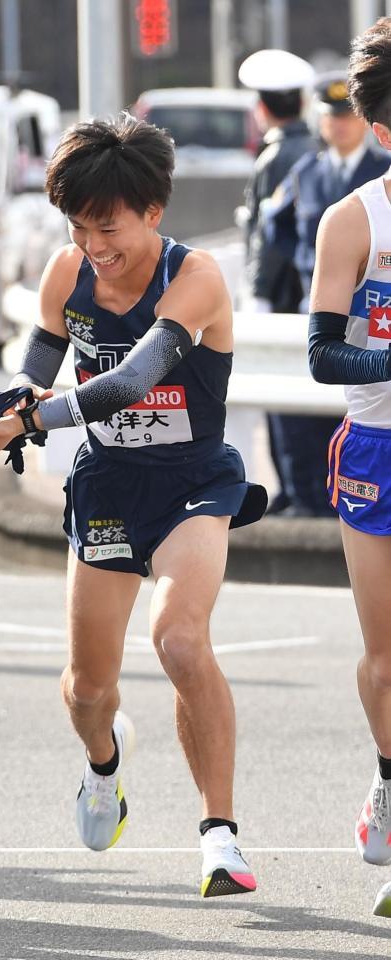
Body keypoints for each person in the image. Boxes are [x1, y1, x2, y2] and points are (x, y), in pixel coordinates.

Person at [0, 115, 268, 897]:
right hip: (105, 484)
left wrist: (26, 421)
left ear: (151, 212)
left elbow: (128, 382)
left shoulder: (193, 280)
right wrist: (9, 405)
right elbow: (40, 355)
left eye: (108, 226)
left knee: (179, 641)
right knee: (87, 689)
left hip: (192, 480)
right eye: (78, 225)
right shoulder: (67, 271)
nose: (93, 244)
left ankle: (218, 836)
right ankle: (103, 769)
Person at [307, 16, 391, 919]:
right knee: (384, 661)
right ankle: (388, 778)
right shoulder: (354, 218)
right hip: (375, 447)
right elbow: (324, 357)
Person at [264, 73, 389, 517]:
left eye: (345, 117)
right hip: (374, 428)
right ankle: (303, 497)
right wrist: (295, 275)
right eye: (331, 117)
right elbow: (271, 228)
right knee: (298, 421)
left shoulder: (369, 168)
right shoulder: (317, 180)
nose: (338, 125)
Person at [238, 49, 316, 515]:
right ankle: (301, 488)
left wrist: (260, 293)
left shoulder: (276, 155)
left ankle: (298, 489)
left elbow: (266, 237)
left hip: (284, 296)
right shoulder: (314, 149)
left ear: (261, 108)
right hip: (305, 290)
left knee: (285, 399)